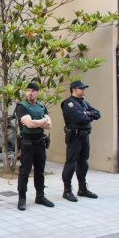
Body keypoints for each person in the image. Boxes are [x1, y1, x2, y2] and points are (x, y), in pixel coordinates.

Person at [15, 82, 54, 211]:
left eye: (33, 90)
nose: (30, 93)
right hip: (27, 143)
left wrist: (39, 122)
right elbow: (30, 124)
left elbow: (50, 125)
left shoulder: (42, 106)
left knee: (40, 171)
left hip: (40, 143)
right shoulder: (21, 106)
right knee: (24, 171)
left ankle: (40, 196)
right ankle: (22, 198)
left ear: (37, 92)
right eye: (28, 91)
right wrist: (43, 120)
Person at [61, 80, 101, 202]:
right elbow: (80, 118)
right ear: (74, 89)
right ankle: (67, 190)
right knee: (71, 162)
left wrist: (87, 113)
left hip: (85, 136)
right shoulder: (68, 103)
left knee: (83, 161)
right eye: (81, 88)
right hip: (74, 136)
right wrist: (88, 115)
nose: (84, 90)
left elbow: (97, 114)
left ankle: (82, 188)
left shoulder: (83, 102)